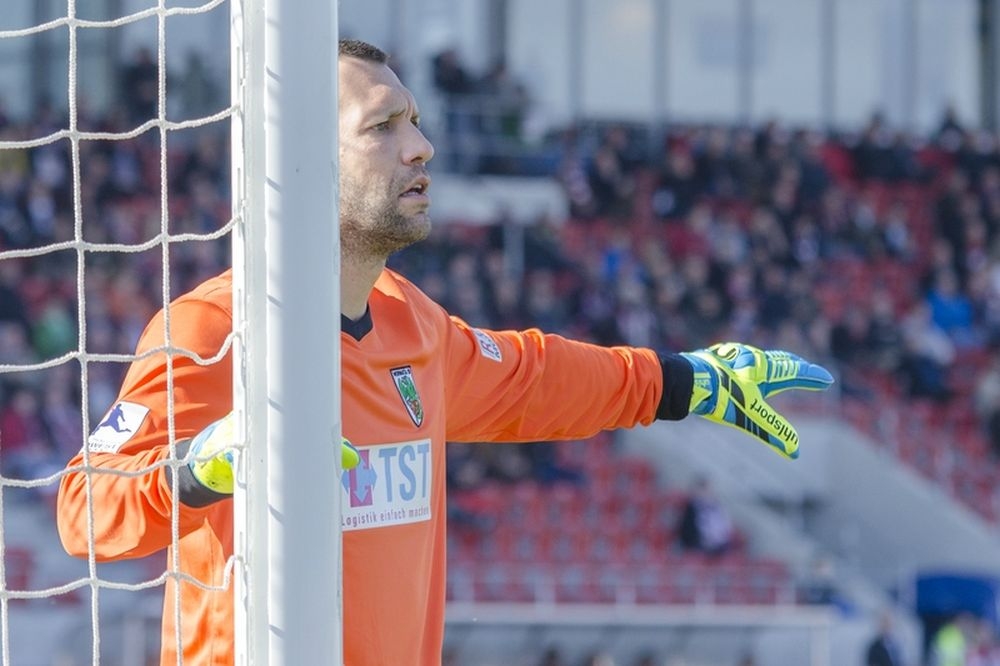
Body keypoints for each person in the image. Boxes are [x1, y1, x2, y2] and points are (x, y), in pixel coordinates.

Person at [56, 40, 834, 666]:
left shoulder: (414, 325)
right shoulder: (214, 330)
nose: (421, 147)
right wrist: (199, 467)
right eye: (383, 127)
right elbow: (84, 510)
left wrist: (690, 379)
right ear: (296, 154)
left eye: (417, 122)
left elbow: (542, 377)